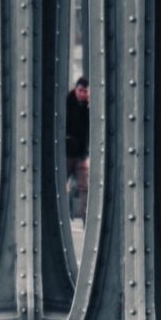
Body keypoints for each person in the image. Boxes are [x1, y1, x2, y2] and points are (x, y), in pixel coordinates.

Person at [65, 76, 90, 219]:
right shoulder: (67, 103)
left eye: (85, 91)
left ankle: (85, 215)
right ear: (76, 89)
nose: (82, 94)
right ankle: (64, 212)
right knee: (62, 184)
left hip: (81, 152)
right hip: (67, 152)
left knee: (84, 186)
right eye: (80, 90)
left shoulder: (89, 106)